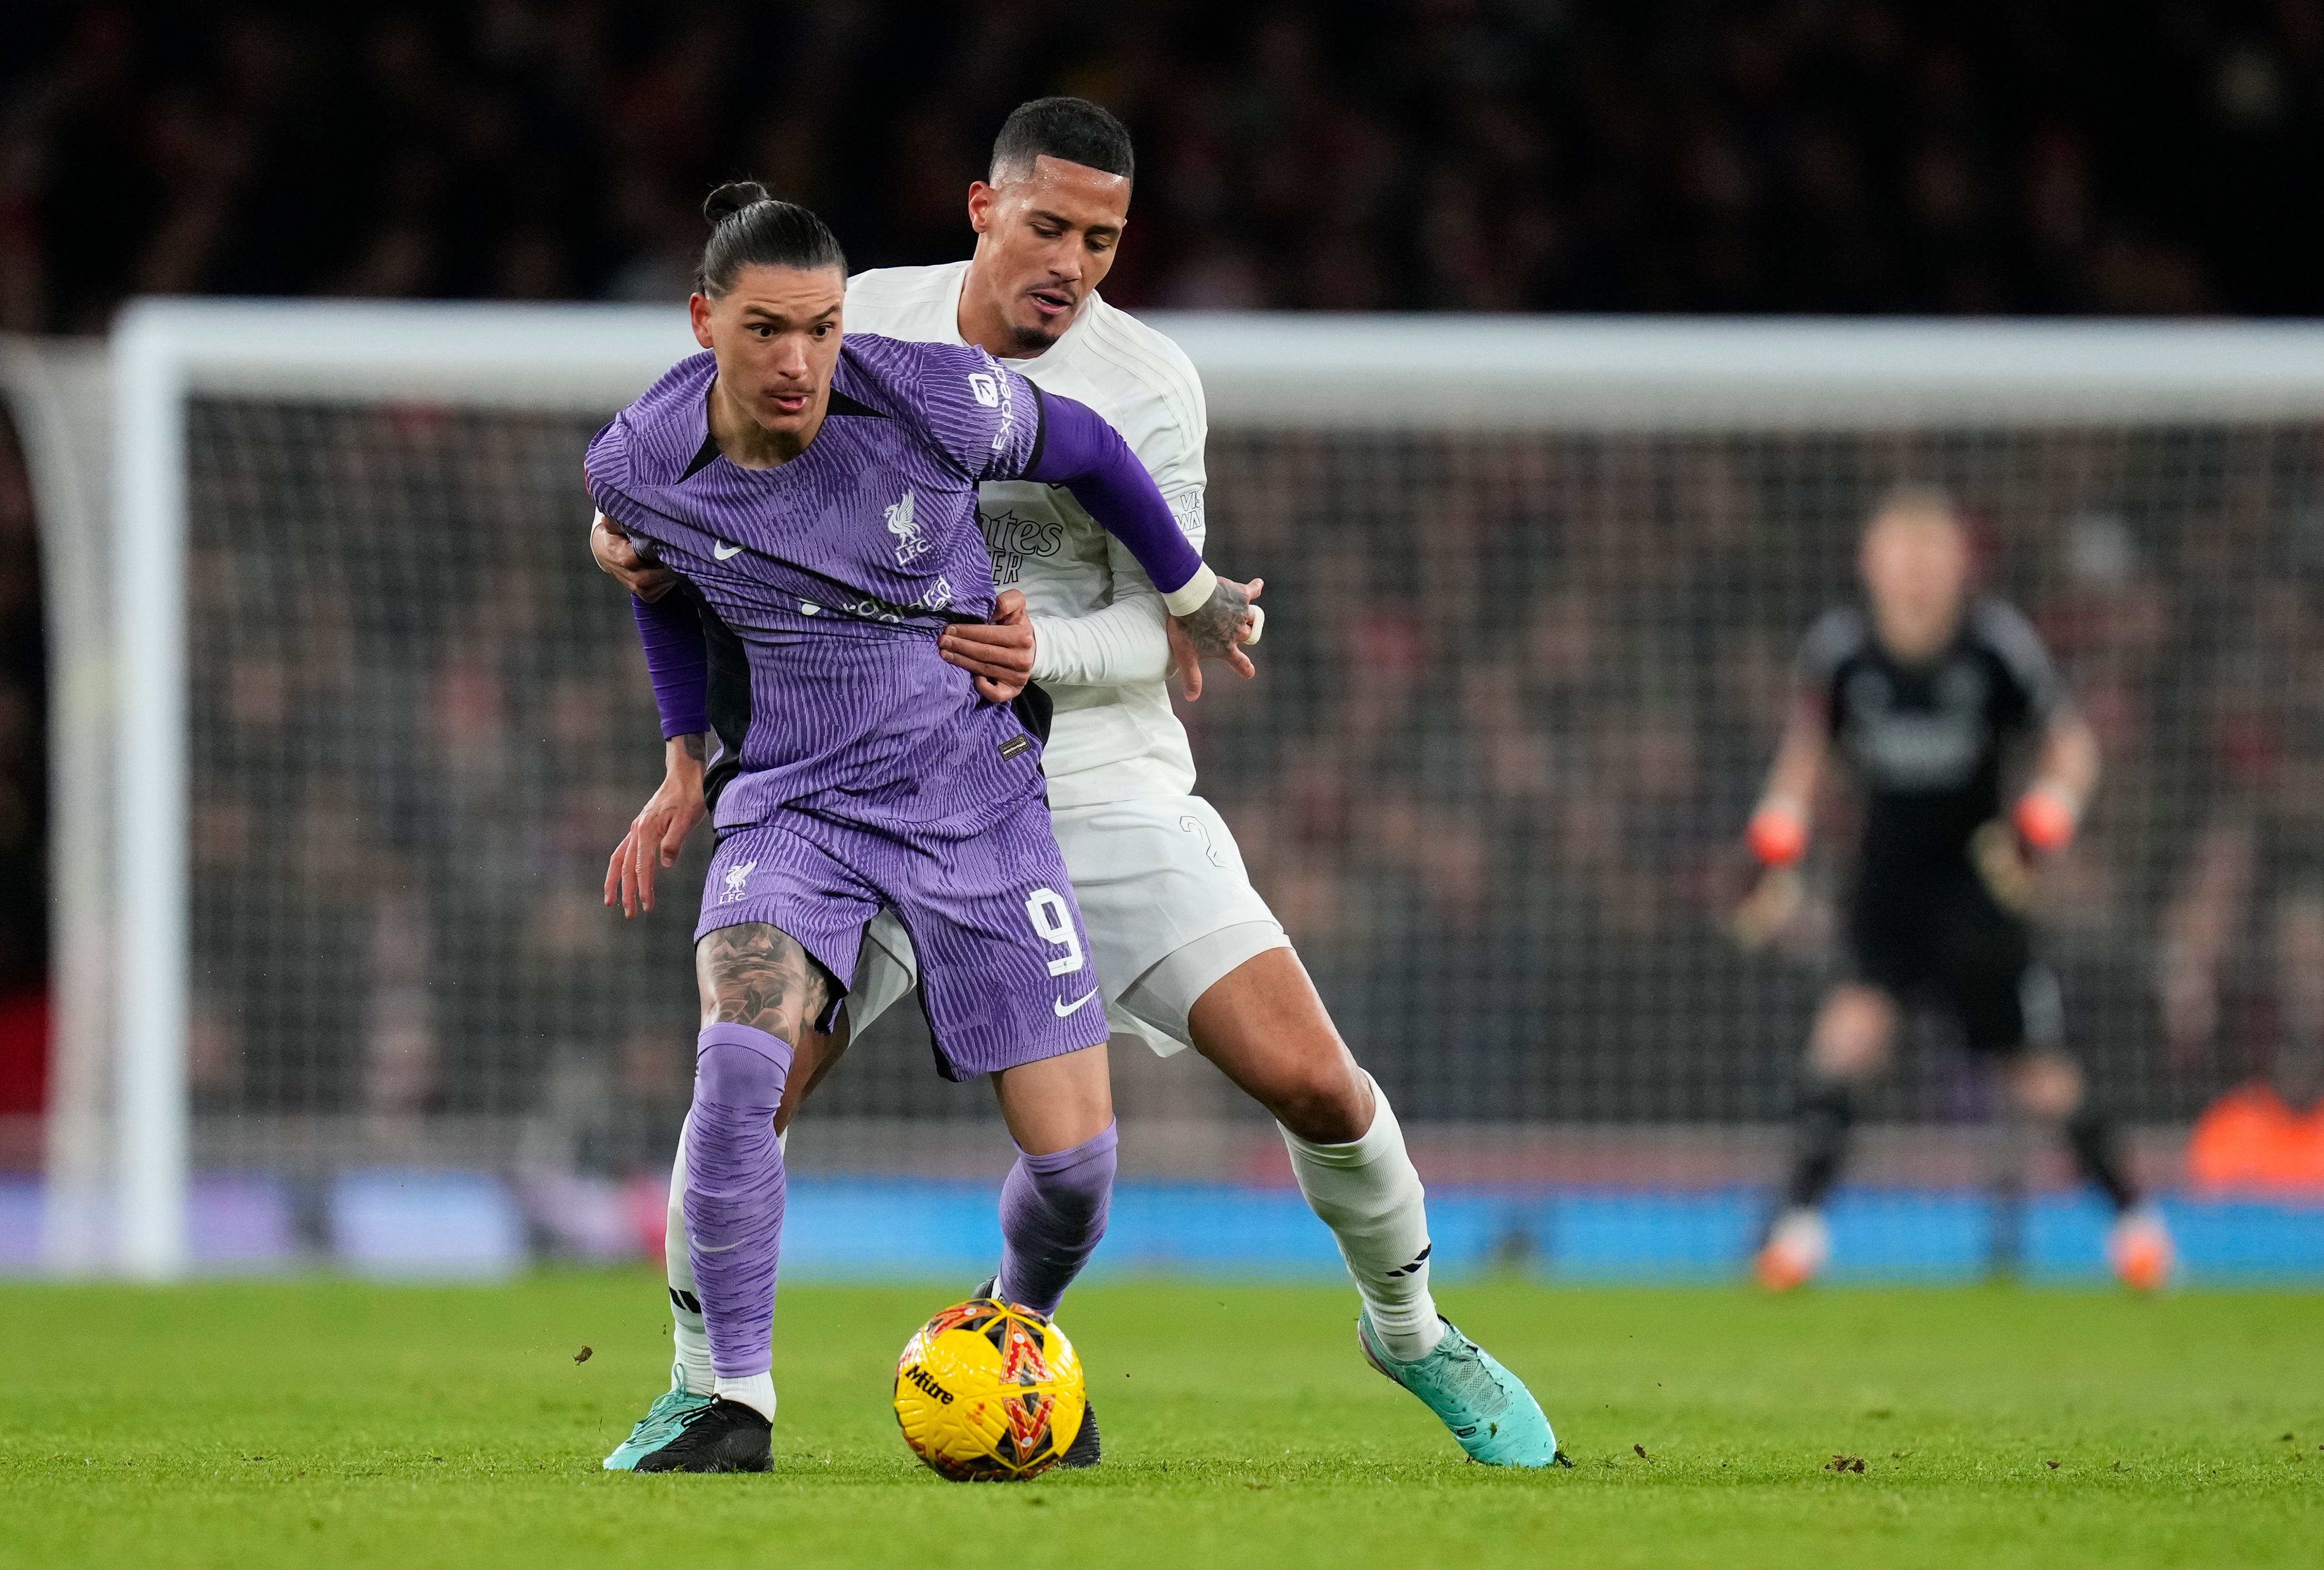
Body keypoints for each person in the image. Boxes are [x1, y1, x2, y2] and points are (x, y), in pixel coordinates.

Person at [596, 97, 1560, 1470]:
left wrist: (1044, 641)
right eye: (1048, 226)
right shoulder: (865, 319)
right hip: (864, 773)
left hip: (1094, 779)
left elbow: (1161, 631)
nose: (1073, 261)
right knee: (747, 1082)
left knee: (1318, 1084)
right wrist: (617, 539)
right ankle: (712, 1383)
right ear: (983, 211)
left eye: (1102, 239)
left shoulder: (1149, 382)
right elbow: (699, 455)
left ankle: (1404, 1327)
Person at [586, 180, 1258, 1473]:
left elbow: (1098, 456)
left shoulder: (930, 395)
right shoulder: (636, 463)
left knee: (1077, 1177)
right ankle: (727, 1398)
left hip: (975, 801)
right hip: (796, 806)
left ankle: (1017, 1339)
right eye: (769, 330)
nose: (802, 363)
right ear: (702, 322)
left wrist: (1195, 591)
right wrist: (683, 757)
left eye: (825, 328)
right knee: (737, 1065)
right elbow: (661, 585)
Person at [1740, 486, 2173, 1292]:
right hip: (1886, 886)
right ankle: (1795, 1235)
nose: (1913, 573)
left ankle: (2137, 1226)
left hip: (1978, 889)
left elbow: (2071, 745)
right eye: (1898, 555)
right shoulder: (1841, 652)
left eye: (1929, 555)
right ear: (1870, 563)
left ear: (1958, 564)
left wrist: (2044, 824)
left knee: (2038, 1073)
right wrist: (1771, 844)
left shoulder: (1995, 646)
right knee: (1844, 1042)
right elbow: (1807, 760)